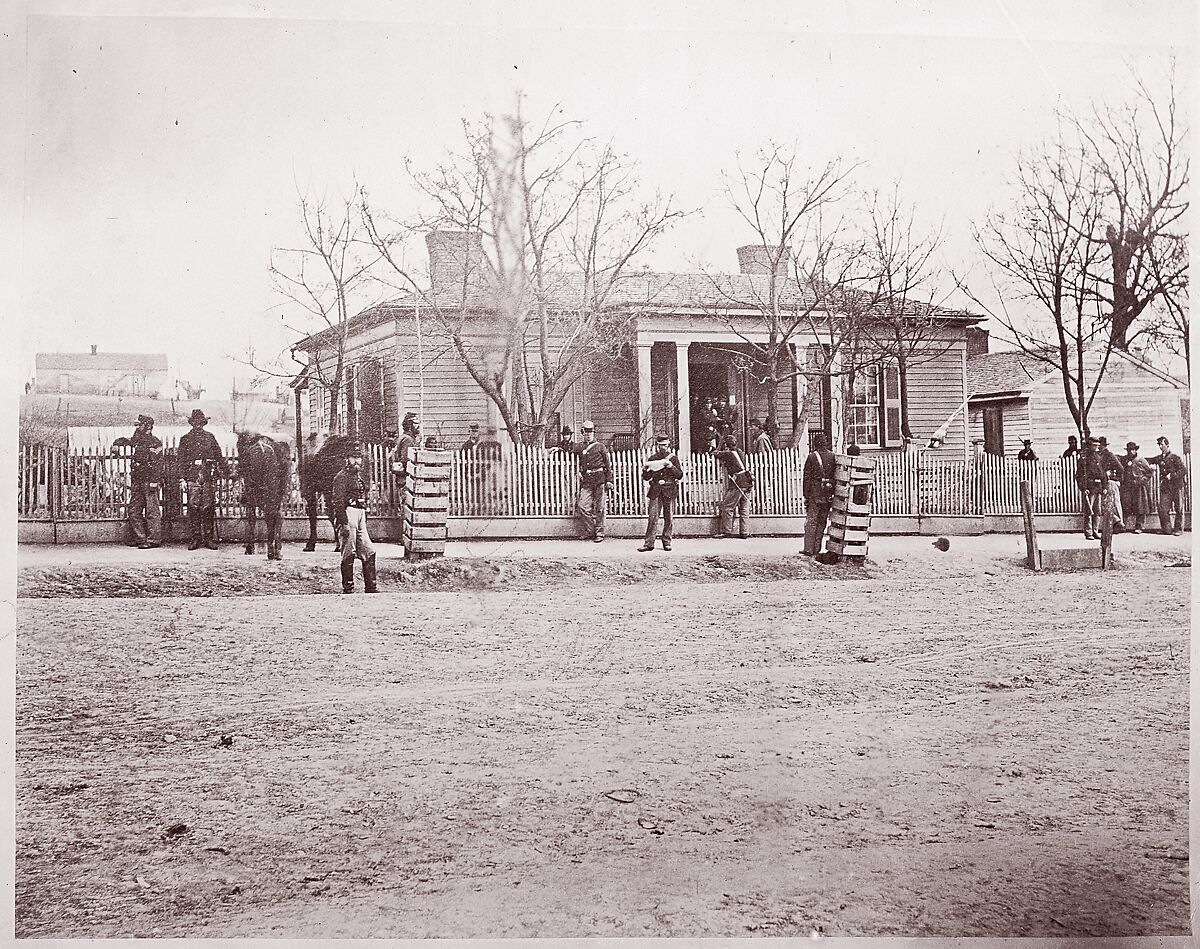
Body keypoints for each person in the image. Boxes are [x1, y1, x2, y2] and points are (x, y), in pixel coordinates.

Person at [331, 442, 378, 594]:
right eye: (353, 458)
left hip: (360, 514)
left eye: (359, 458)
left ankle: (371, 587)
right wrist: (344, 523)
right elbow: (337, 502)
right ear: (346, 459)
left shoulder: (358, 476)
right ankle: (348, 587)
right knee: (348, 551)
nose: (357, 461)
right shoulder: (341, 477)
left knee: (368, 549)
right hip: (348, 513)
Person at [177, 409, 226, 550]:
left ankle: (209, 538)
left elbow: (219, 456)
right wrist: (182, 478)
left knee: (208, 506)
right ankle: (195, 538)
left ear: (203, 423)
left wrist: (226, 472)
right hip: (192, 475)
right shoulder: (185, 439)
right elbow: (180, 460)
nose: (198, 425)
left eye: (200, 423)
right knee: (193, 507)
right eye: (195, 423)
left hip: (208, 474)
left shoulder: (210, 437)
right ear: (192, 423)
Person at [638, 434, 683, 552]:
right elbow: (647, 478)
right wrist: (645, 471)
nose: (663, 447)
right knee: (653, 517)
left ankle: (667, 542)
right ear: (657, 445)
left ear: (668, 445)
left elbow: (680, 475)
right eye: (660, 445)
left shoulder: (673, 458)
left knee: (669, 518)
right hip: (656, 489)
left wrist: (671, 466)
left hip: (669, 489)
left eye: (665, 445)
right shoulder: (652, 458)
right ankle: (649, 543)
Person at [124, 414, 164, 549]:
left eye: (140, 425)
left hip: (149, 480)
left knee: (152, 511)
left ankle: (154, 540)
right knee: (134, 509)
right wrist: (116, 444)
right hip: (138, 480)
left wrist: (155, 481)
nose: (138, 427)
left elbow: (158, 464)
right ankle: (140, 538)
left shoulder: (155, 442)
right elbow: (126, 440)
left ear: (148, 426)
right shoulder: (138, 440)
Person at [575, 420, 612, 543]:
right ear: (583, 433)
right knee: (582, 506)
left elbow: (607, 464)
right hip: (587, 480)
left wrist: (609, 480)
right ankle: (590, 530)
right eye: (586, 432)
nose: (589, 434)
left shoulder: (600, 446)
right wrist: (557, 448)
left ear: (593, 433)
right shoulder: (580, 446)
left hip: (600, 479)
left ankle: (600, 533)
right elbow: (568, 447)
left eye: (591, 432)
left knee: (600, 507)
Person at [802, 434, 837, 556]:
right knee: (822, 521)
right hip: (827, 493)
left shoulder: (812, 457)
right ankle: (817, 548)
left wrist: (806, 494)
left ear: (815, 444)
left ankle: (808, 549)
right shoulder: (832, 456)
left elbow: (807, 478)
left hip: (815, 493)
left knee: (811, 521)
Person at [1147, 436, 1187, 535]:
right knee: (1163, 508)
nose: (1160, 447)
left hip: (1177, 486)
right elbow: (1149, 460)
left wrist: (1172, 475)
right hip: (1166, 487)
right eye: (1159, 445)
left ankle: (1178, 529)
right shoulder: (1160, 458)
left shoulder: (1175, 457)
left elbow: (1183, 470)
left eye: (1162, 444)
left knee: (1179, 508)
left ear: (1167, 445)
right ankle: (1167, 530)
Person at [715, 434, 752, 538]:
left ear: (726, 445)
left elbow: (715, 453)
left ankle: (726, 531)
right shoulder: (740, 452)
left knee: (727, 507)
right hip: (747, 481)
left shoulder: (728, 453)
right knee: (744, 508)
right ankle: (744, 532)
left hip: (738, 482)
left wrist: (719, 445)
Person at [1075, 436, 1106, 540]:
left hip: (1098, 487)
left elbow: (1103, 473)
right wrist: (1083, 488)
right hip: (1090, 487)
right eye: (1094, 446)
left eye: (1098, 446)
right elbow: (1079, 475)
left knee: (1097, 511)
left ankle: (1095, 531)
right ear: (1089, 446)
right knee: (1089, 511)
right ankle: (1088, 532)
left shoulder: (1098, 457)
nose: (1097, 447)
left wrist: (1104, 486)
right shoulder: (1084, 459)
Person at [1119, 441, 1152, 534]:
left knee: (1140, 507)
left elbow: (1149, 473)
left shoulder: (1141, 460)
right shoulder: (1125, 460)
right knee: (1126, 505)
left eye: (1133, 450)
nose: (1131, 452)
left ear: (1136, 450)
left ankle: (1139, 526)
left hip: (1139, 487)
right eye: (1129, 450)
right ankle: (1123, 525)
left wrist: (1141, 481)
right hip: (1128, 487)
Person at [1096, 436, 1126, 530]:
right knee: (1104, 504)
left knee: (1114, 503)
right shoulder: (1098, 455)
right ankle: (1116, 522)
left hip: (1110, 482)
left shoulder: (1109, 455)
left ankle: (1120, 523)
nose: (1099, 447)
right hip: (1102, 482)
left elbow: (1120, 469)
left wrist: (1114, 478)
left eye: (1100, 445)